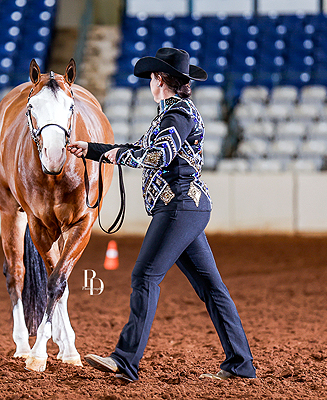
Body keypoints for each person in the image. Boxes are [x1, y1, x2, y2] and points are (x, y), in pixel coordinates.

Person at [68, 47, 256, 382]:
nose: (150, 84)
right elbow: (142, 149)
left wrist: (113, 159)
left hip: (178, 206)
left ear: (159, 80)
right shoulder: (171, 112)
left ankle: (125, 360)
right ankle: (241, 364)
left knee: (145, 277)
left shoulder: (175, 115)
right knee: (212, 288)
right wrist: (94, 150)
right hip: (187, 206)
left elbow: (159, 156)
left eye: (151, 78)